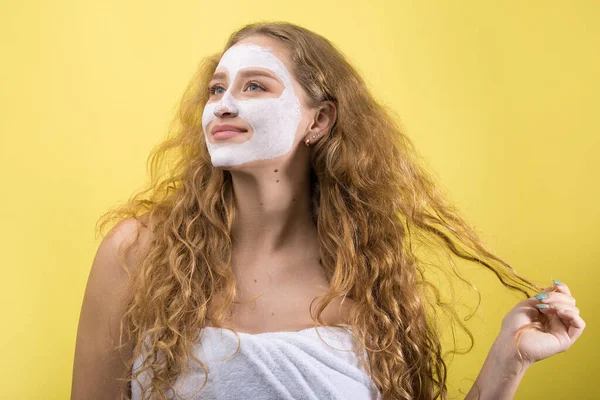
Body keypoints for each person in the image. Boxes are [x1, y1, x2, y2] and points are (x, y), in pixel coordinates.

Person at [71, 21, 585, 400]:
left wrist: (509, 359)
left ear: (317, 121)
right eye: (216, 89)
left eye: (254, 85)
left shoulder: (370, 274)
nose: (224, 103)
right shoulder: (138, 253)